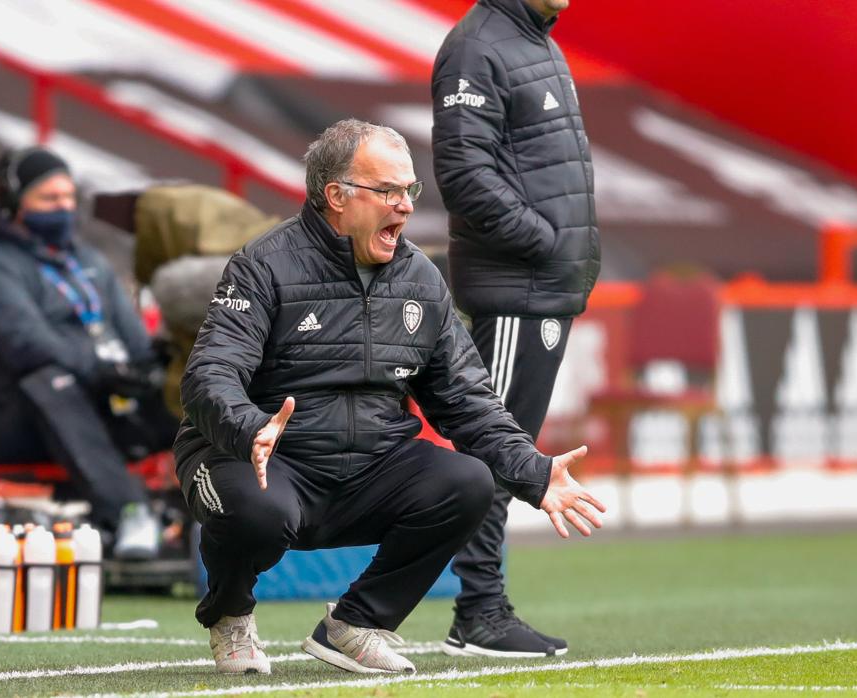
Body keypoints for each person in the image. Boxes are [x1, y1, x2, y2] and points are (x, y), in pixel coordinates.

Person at [174, 119, 605, 676]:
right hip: (260, 457)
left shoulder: (420, 279)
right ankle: (229, 612)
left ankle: (354, 624)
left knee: (467, 481)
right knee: (258, 510)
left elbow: (467, 399)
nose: (404, 206)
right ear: (336, 196)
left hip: (369, 467)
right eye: (388, 191)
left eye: (409, 191)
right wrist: (248, 426)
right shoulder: (263, 265)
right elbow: (209, 374)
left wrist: (535, 473)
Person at [431, 0, 601, 658]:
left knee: (500, 449)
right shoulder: (478, 45)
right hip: (516, 287)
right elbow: (464, 172)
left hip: (540, 287)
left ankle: (472, 609)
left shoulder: (533, 41)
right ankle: (475, 612)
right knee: (492, 452)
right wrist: (542, 242)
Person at [0, 146, 178, 560]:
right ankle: (129, 511)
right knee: (50, 377)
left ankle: (232, 514)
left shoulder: (90, 262)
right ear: (12, 204)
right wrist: (103, 370)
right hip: (23, 422)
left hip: (106, 406)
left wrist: (150, 371)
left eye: (69, 198)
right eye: (49, 199)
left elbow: (136, 343)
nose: (64, 208)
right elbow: (28, 346)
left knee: (190, 377)